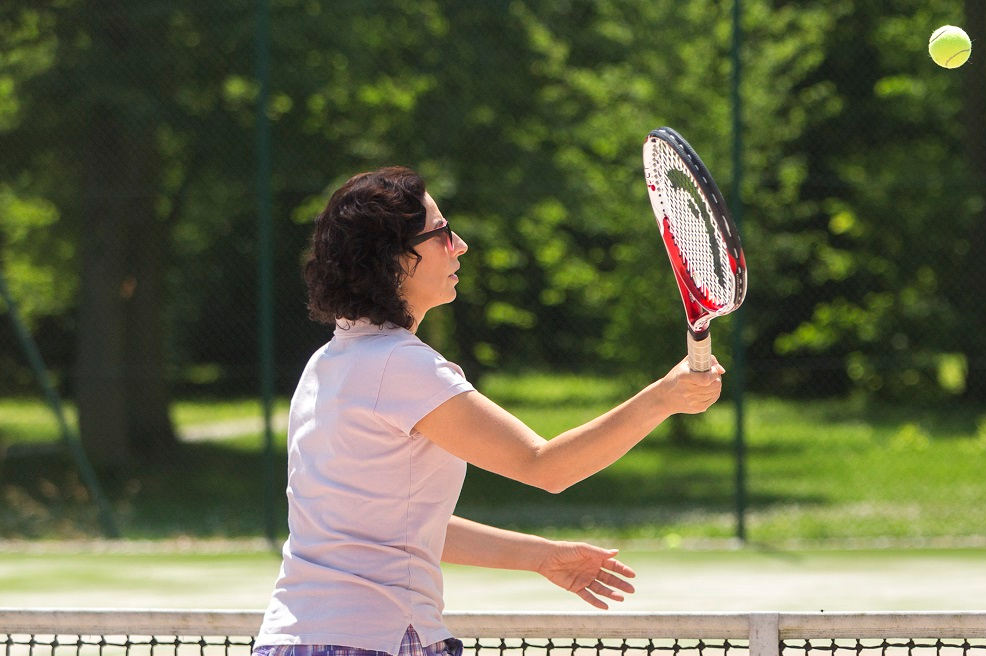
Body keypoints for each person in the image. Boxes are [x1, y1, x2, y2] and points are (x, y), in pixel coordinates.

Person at [255, 167, 724, 656]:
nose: (459, 245)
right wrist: (663, 398)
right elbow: (547, 466)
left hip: (294, 639)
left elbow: (397, 527)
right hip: (374, 642)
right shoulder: (400, 365)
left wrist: (543, 557)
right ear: (393, 258)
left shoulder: (328, 362)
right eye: (440, 233)